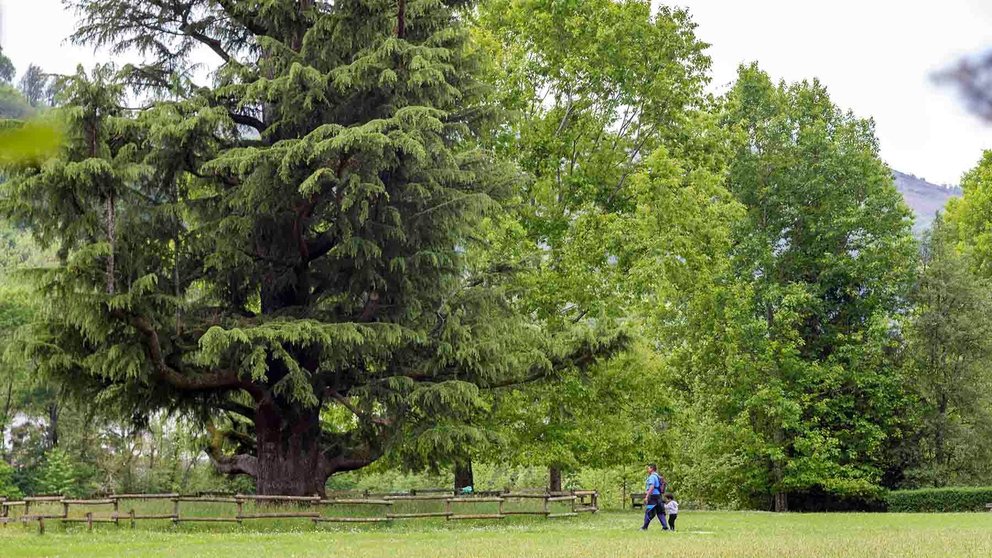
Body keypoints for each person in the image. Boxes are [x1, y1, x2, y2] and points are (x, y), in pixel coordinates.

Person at [640, 463, 669, 530]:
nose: (647, 469)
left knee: (649, 511)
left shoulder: (652, 477)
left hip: (653, 496)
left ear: (652, 468)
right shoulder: (658, 476)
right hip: (659, 496)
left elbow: (652, 487)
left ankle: (644, 527)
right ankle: (665, 527)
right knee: (660, 512)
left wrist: (647, 496)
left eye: (648, 468)